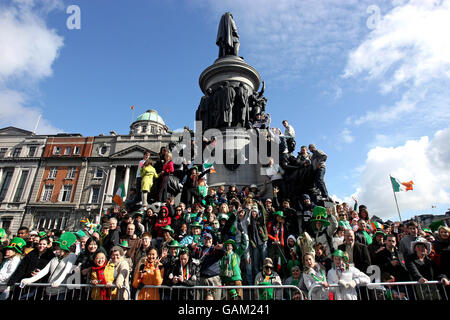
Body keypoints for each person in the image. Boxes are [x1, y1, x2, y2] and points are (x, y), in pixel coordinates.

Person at [20, 232, 78, 300]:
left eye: (57, 245)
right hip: (49, 291)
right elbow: (44, 271)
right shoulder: (54, 258)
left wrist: (58, 281)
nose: (55, 247)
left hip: (61, 292)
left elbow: (67, 271)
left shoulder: (72, 256)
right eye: (55, 245)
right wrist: (29, 280)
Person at [219, 235, 248, 300]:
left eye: (230, 245)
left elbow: (243, 246)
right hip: (227, 280)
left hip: (236, 279)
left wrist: (243, 234)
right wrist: (223, 281)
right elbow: (221, 268)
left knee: (239, 297)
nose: (229, 247)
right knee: (229, 298)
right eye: (227, 245)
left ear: (232, 247)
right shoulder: (223, 257)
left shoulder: (236, 254)